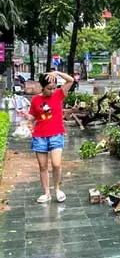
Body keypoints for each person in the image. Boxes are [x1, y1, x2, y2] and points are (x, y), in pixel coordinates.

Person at [18, 71, 74, 203]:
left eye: (54, 87)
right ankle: (46, 193)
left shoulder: (59, 94)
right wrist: (26, 116)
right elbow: (33, 116)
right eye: (49, 88)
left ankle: (57, 189)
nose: (52, 91)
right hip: (40, 136)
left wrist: (57, 73)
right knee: (42, 166)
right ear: (42, 87)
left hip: (56, 134)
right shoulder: (36, 99)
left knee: (56, 164)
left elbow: (70, 80)